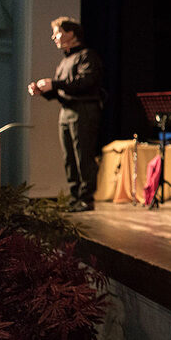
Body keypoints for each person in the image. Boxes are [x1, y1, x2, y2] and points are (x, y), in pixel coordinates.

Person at [27, 17, 104, 212]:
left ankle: (86, 199)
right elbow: (62, 91)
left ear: (71, 33)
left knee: (83, 155)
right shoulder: (64, 61)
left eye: (58, 32)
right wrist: (43, 91)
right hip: (67, 111)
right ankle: (75, 197)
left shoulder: (87, 56)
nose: (54, 37)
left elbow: (85, 84)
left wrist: (55, 84)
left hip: (84, 110)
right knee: (69, 157)